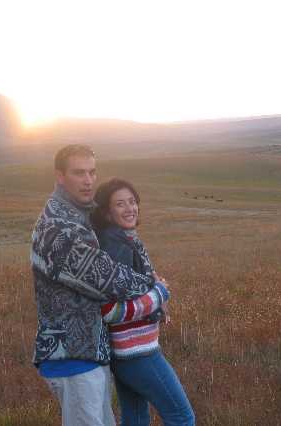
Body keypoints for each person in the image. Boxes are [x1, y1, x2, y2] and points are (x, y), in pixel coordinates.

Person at [31, 145, 171, 426]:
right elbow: (106, 278)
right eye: (78, 173)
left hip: (87, 354)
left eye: (92, 172)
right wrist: (156, 288)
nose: (88, 181)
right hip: (71, 357)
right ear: (60, 176)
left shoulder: (77, 215)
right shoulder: (58, 226)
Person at [91, 177, 195, 426]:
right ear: (106, 213)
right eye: (120, 204)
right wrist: (158, 294)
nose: (130, 208)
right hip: (137, 352)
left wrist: (154, 291)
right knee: (182, 417)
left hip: (124, 353)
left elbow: (133, 289)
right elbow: (109, 309)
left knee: (136, 419)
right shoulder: (117, 248)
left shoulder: (125, 241)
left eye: (132, 201)